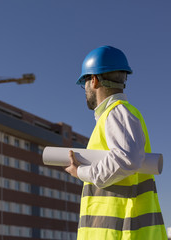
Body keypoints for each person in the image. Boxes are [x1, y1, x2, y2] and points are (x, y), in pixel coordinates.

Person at [65, 45, 167, 239]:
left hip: (123, 233)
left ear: (93, 80)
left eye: (84, 83)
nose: (85, 90)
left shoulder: (117, 113)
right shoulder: (116, 116)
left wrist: (81, 172)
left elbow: (127, 158)